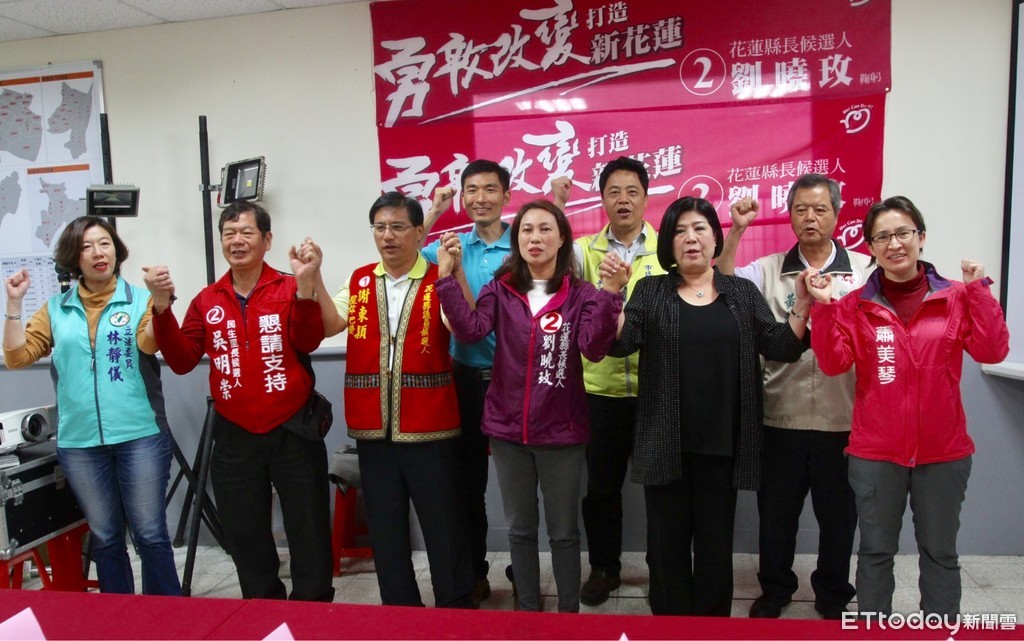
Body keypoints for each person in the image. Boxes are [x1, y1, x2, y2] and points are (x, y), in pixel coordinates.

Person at [806, 196, 1010, 617]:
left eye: (903, 233)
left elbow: (992, 350)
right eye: (882, 237)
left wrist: (979, 292)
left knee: (940, 552)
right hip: (876, 452)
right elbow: (833, 363)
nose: (894, 244)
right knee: (875, 552)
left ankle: (939, 628)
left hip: (943, 451)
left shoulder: (956, 296)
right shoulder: (854, 304)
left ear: (921, 237)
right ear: (871, 247)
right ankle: (874, 630)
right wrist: (823, 308)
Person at [610, 196, 812, 617]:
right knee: (666, 545)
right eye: (680, 231)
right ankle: (670, 622)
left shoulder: (740, 291)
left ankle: (711, 623)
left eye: (700, 228)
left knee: (715, 545)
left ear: (715, 239)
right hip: (665, 440)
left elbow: (781, 346)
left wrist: (803, 305)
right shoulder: (651, 290)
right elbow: (620, 344)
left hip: (723, 443)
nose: (691, 238)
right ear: (669, 242)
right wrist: (613, 295)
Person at [435, 199, 627, 613]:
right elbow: (470, 331)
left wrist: (611, 294)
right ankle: (527, 612)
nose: (535, 238)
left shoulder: (581, 294)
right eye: (526, 230)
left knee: (563, 533)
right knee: (520, 531)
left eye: (544, 229)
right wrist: (447, 280)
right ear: (517, 240)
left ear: (562, 239)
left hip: (563, 433)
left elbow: (593, 349)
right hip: (507, 432)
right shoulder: (501, 289)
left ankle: (567, 614)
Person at [146, 202, 334, 602]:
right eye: (229, 234)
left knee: (309, 528)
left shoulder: (289, 287)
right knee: (245, 532)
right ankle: (263, 609)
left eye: (247, 233)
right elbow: (181, 360)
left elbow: (309, 341)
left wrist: (305, 290)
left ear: (267, 240)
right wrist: (161, 308)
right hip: (234, 432)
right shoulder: (207, 299)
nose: (237, 241)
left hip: (293, 428)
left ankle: (313, 608)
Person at [717, 173, 872, 620]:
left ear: (837, 215)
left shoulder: (865, 271)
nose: (810, 217)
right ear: (789, 216)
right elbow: (722, 281)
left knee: (839, 517)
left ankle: (833, 592)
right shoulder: (768, 269)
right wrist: (737, 231)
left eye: (820, 209)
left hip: (843, 419)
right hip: (780, 416)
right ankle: (776, 588)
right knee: (777, 516)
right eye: (801, 209)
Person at [310, 191, 475, 609]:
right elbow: (329, 324)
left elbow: (465, 328)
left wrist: (455, 276)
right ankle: (401, 612)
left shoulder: (439, 275)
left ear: (419, 232)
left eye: (398, 227)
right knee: (386, 529)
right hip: (373, 428)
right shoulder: (360, 280)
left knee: (444, 526)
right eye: (380, 227)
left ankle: (457, 610)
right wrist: (313, 278)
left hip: (431, 427)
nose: (387, 236)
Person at [3, 216, 181, 596]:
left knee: (150, 534)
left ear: (117, 250)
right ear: (74, 258)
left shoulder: (139, 300)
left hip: (140, 435)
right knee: (105, 536)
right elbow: (17, 357)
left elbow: (149, 343)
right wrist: (14, 304)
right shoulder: (56, 309)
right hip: (80, 443)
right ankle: (117, 618)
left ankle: (167, 617)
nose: (99, 253)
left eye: (105, 243)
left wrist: (160, 302)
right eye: (87, 246)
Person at [550, 157, 667, 606]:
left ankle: (664, 568)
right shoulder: (584, 251)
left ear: (646, 197)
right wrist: (558, 205)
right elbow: (553, 266)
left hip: (657, 388)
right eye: (614, 192)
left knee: (662, 487)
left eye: (632, 191)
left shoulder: (667, 250)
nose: (623, 200)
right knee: (601, 489)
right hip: (598, 390)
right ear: (601, 199)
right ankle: (604, 569)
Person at [419, 159, 513, 604]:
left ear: (506, 196)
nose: (480, 198)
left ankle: (523, 566)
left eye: (490, 189)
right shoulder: (451, 245)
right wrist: (435, 212)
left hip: (515, 379)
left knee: (522, 483)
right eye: (471, 190)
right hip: (464, 378)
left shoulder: (524, 243)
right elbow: (404, 252)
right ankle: (475, 571)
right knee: (467, 484)